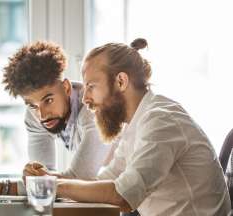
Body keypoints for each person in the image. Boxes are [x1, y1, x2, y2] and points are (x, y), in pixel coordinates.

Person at [24, 39, 231, 215]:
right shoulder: (135, 125)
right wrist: (48, 179)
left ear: (121, 81)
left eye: (91, 86)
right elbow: (104, 180)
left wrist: (53, 186)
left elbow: (122, 195)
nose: (85, 99)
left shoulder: (161, 120)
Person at [0, 41, 111, 195]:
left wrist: (4, 188)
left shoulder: (93, 107)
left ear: (66, 87)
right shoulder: (35, 116)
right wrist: (33, 177)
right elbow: (43, 181)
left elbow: (78, 180)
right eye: (32, 105)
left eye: (48, 100)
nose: (42, 115)